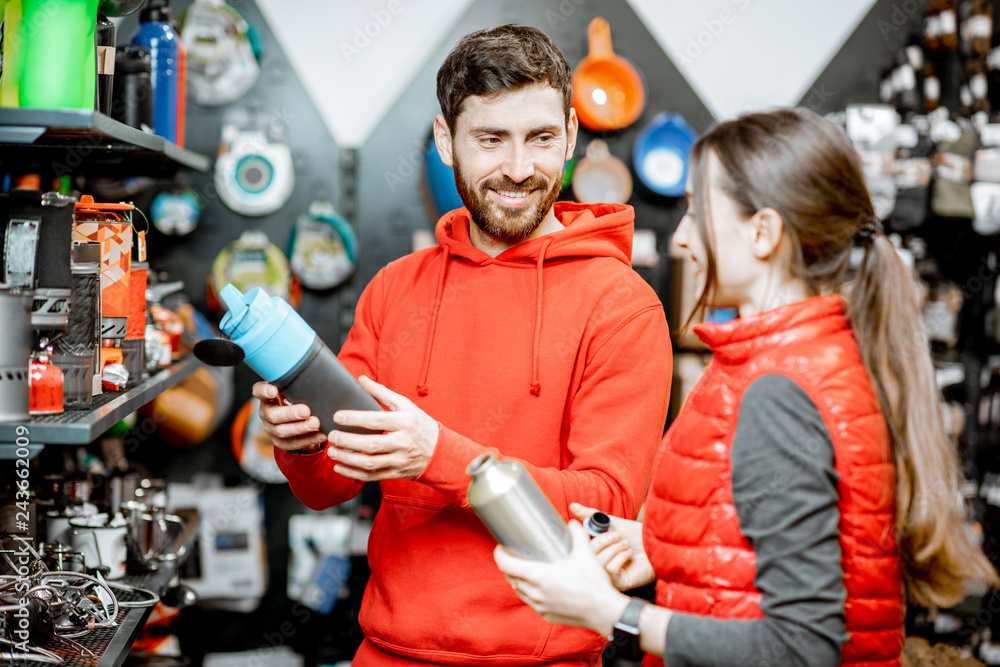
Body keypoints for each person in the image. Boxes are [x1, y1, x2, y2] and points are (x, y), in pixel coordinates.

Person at [494, 107, 1000, 666]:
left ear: (762, 232)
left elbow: (801, 647)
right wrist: (662, 548)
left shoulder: (778, 390)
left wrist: (607, 611)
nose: (683, 238)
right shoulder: (800, 358)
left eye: (696, 212)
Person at [252, 24, 672, 667]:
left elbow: (604, 510)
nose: (518, 168)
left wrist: (439, 456)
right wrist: (302, 442)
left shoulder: (623, 305)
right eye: (490, 139)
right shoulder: (394, 289)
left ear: (571, 133)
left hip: (545, 660)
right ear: (447, 142)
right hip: (387, 651)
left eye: (540, 138)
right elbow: (327, 486)